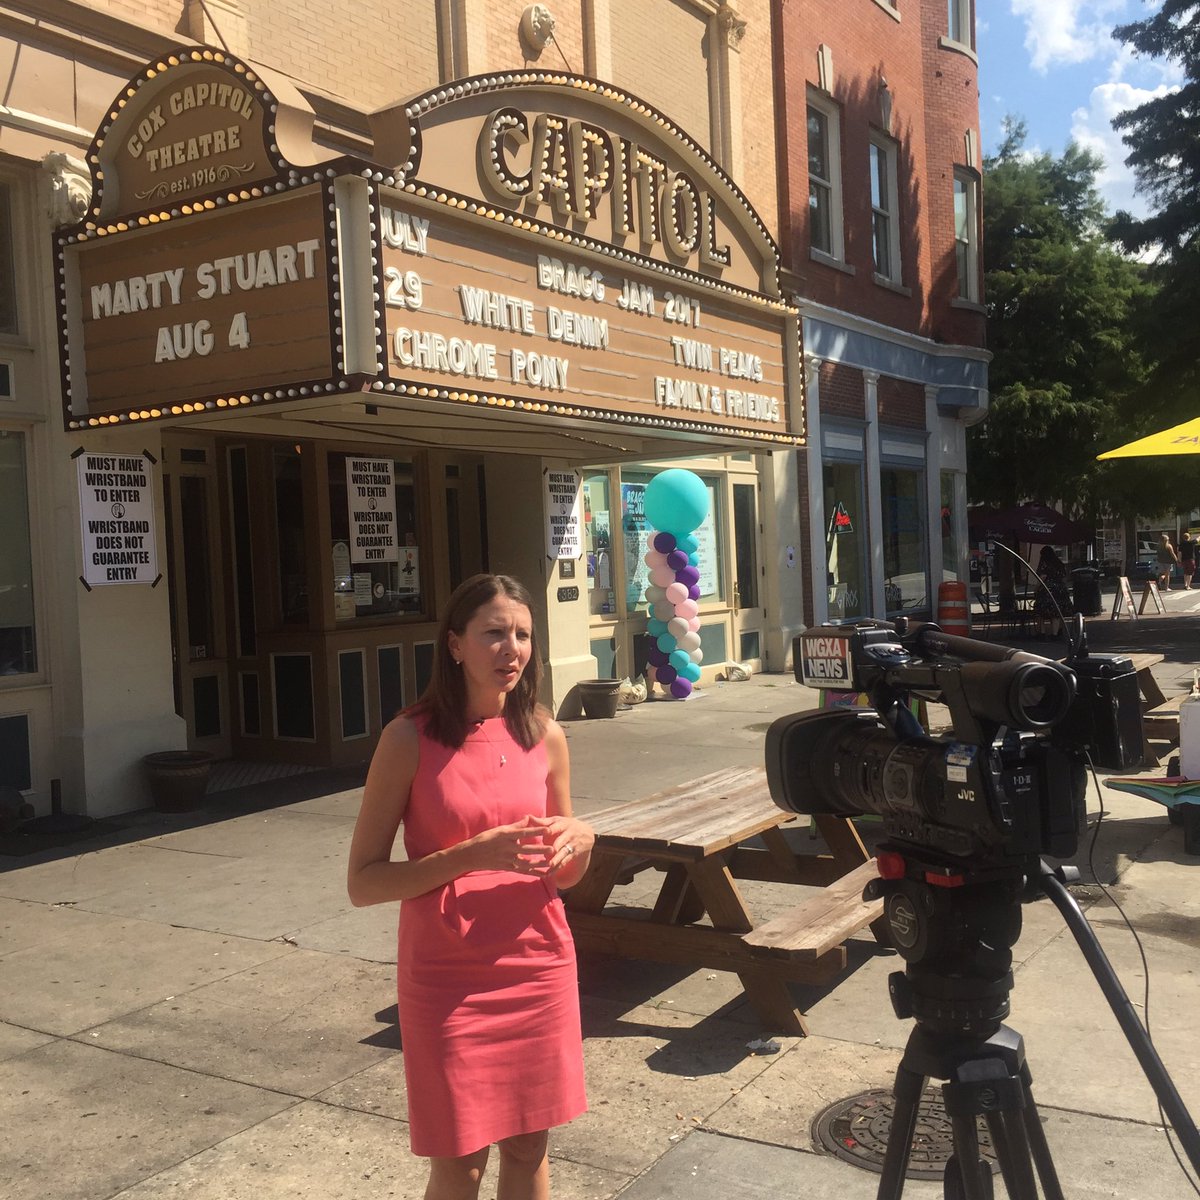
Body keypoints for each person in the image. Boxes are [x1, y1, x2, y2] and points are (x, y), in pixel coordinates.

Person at [347, 573, 593, 1200]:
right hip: (447, 978)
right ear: (455, 645)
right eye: (494, 633)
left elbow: (561, 875)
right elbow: (364, 882)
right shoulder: (408, 738)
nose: (512, 649)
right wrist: (471, 855)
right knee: (460, 1162)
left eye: (523, 635)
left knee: (529, 1146)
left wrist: (582, 843)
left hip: (538, 964)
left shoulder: (545, 734)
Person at [1031, 546, 1073, 639]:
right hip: (1060, 589)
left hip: (1048, 590)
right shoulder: (1059, 563)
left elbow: (1043, 577)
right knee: (1057, 612)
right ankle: (1056, 632)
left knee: (1041, 611)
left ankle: (1042, 633)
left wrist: (1036, 588)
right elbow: (1064, 576)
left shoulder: (1044, 563)